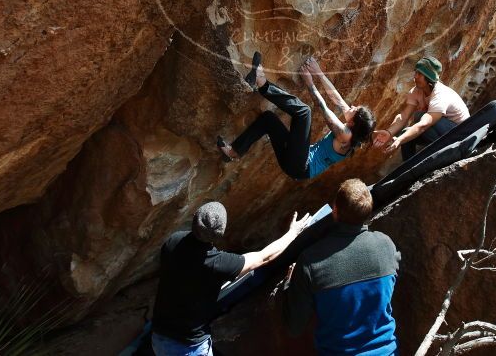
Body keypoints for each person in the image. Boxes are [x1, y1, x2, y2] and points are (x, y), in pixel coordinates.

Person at [151, 201, 310, 356]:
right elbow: (264, 258)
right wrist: (293, 233)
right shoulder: (217, 264)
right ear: (221, 232)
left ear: (194, 218)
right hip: (188, 346)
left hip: (159, 336)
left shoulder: (173, 241)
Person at [282, 179, 401, 355]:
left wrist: (288, 283)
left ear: (335, 210)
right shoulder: (386, 245)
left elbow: (293, 327)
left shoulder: (311, 261)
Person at [217, 54, 376, 180]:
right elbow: (337, 99)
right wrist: (318, 72)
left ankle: (262, 82)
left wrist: (310, 83)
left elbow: (323, 107)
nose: (352, 106)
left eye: (355, 109)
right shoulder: (353, 132)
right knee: (268, 120)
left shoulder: (345, 135)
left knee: (304, 112)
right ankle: (233, 152)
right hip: (295, 162)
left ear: (354, 123)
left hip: (301, 165)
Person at [373, 55, 470, 160]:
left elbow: (424, 124)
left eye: (419, 74)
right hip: (440, 134)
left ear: (429, 78)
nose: (415, 76)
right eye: (416, 72)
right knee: (405, 133)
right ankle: (407, 168)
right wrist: (389, 132)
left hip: (461, 136)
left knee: (419, 118)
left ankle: (441, 158)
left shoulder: (440, 95)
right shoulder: (416, 91)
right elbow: (404, 116)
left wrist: (399, 140)